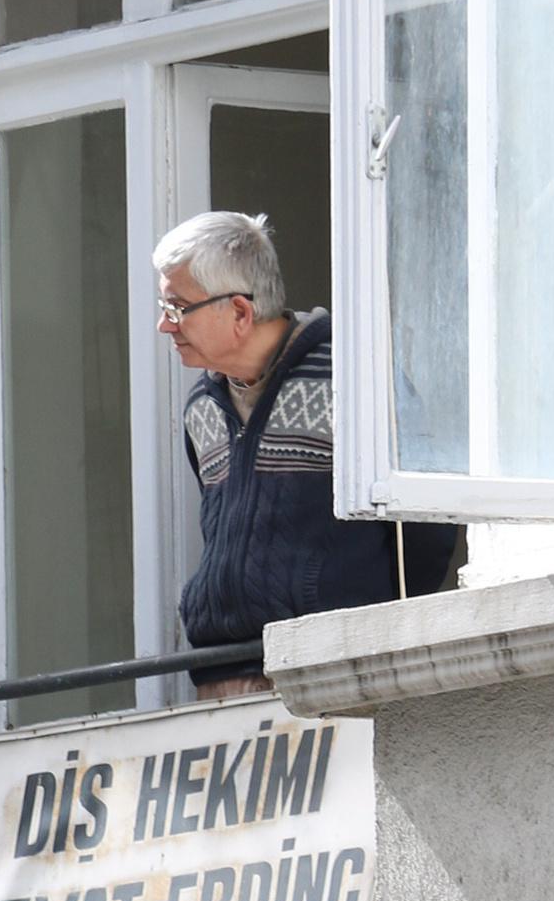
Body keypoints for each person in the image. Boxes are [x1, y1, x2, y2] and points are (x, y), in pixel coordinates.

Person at [155, 210, 459, 669]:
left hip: (336, 668)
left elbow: (425, 531)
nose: (165, 325)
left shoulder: (353, 381)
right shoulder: (202, 404)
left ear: (239, 311)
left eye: (177, 308)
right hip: (224, 671)